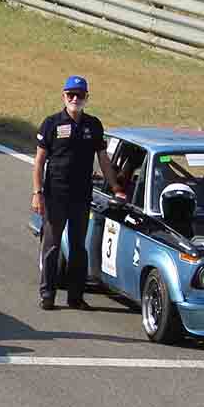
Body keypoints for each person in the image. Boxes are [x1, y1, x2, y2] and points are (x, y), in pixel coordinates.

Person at [32, 75, 122, 311]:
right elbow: (39, 162)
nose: (75, 99)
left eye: (79, 95)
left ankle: (76, 297)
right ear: (63, 96)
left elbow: (103, 160)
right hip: (55, 195)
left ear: (86, 98)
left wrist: (116, 188)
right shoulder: (50, 123)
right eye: (70, 94)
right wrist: (37, 193)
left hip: (82, 197)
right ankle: (47, 295)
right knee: (51, 246)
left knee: (78, 247)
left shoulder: (94, 125)